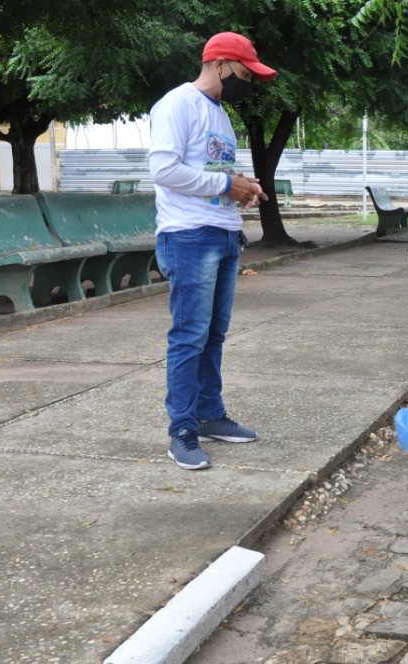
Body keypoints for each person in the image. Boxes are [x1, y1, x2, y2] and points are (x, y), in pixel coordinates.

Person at [149, 32, 277, 470]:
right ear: (220, 64)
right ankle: (181, 429)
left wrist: (240, 186)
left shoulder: (220, 115)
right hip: (188, 236)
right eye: (244, 73)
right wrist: (226, 184)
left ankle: (209, 414)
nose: (247, 83)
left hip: (222, 233)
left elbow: (209, 171)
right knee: (189, 336)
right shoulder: (177, 105)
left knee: (213, 335)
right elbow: (164, 169)